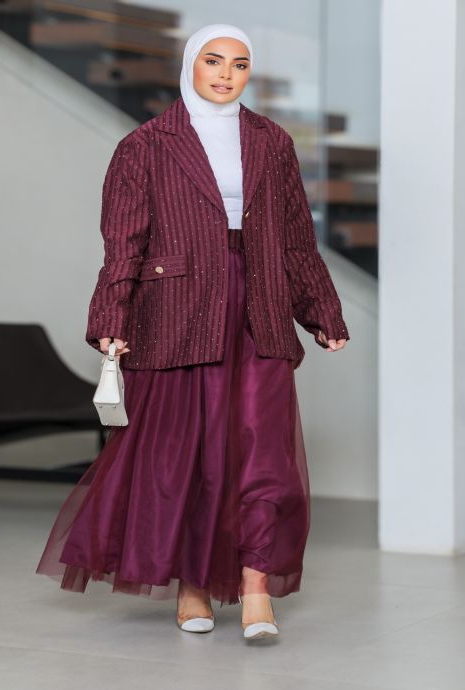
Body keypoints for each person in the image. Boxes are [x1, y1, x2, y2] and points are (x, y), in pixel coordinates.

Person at [36, 23, 350, 642]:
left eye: (239, 64)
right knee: (188, 457)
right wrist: (111, 320)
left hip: (260, 303)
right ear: (191, 64)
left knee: (265, 449)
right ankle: (194, 586)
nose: (226, 74)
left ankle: (256, 589)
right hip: (179, 312)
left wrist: (321, 311)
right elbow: (122, 244)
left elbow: (294, 237)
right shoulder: (145, 145)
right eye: (214, 60)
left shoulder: (272, 141)